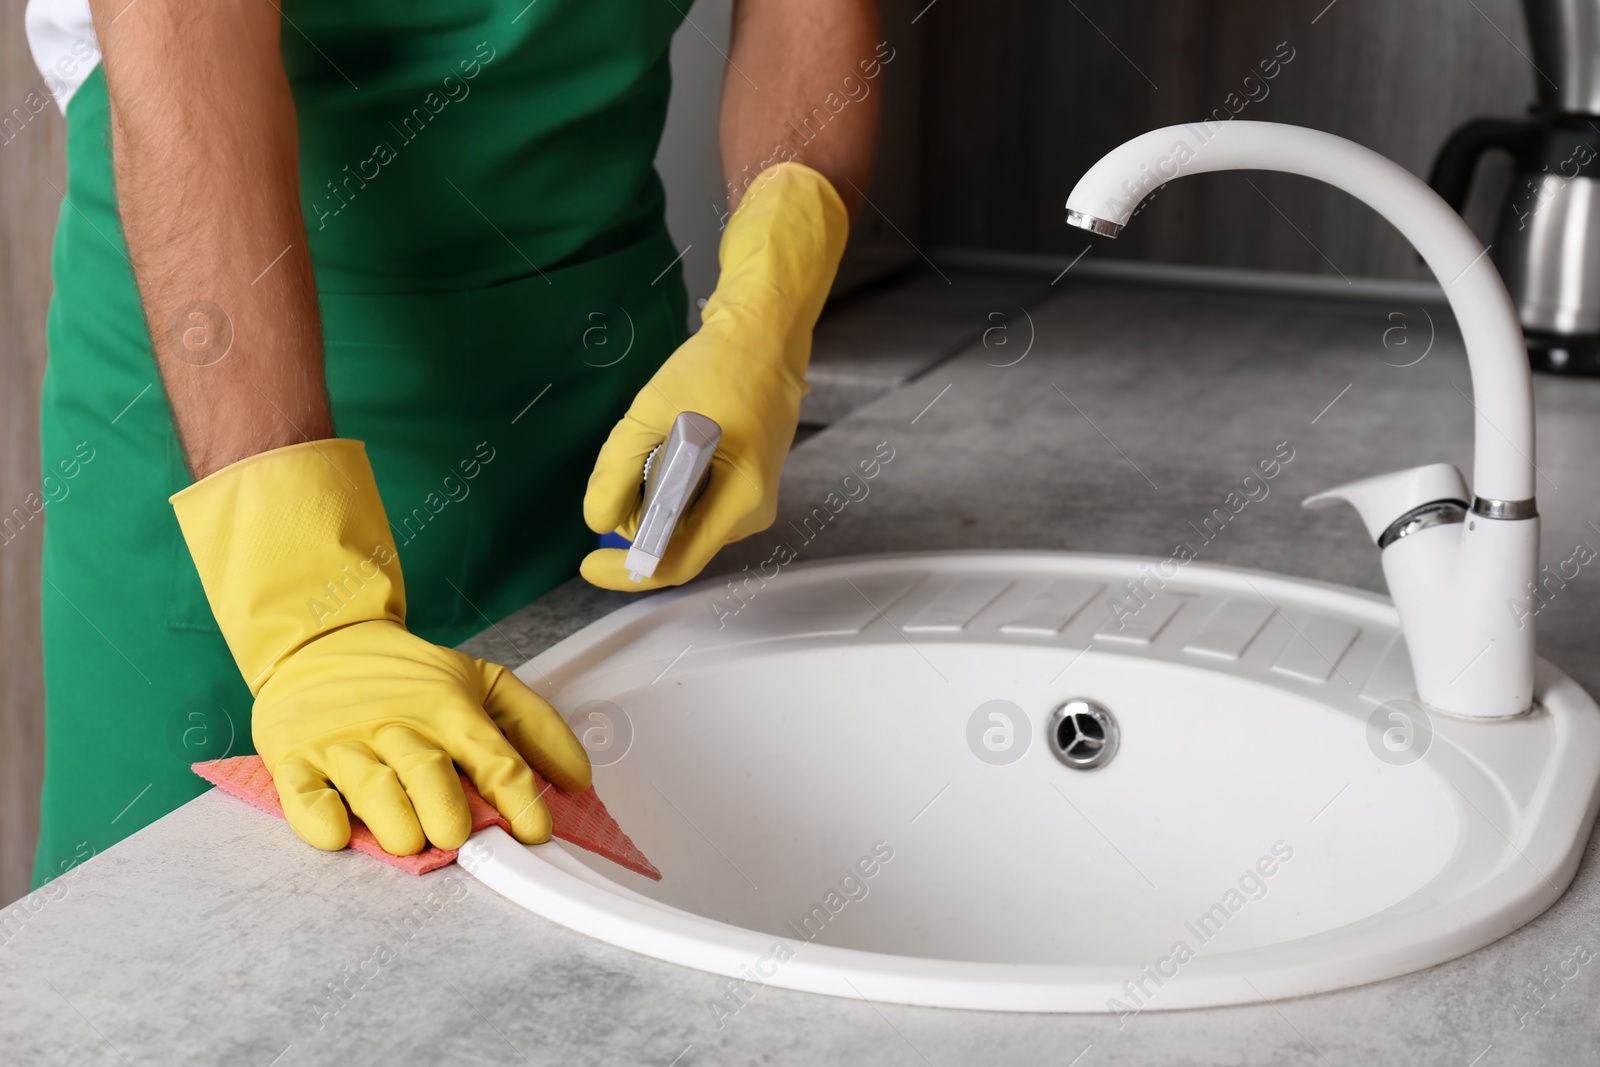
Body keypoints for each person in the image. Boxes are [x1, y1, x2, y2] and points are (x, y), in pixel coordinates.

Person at [26, 0, 881, 886]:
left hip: (589, 394)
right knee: (175, 953)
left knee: (592, 955)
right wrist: (302, 598)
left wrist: (772, 295)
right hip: (230, 396)